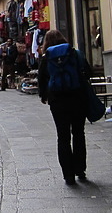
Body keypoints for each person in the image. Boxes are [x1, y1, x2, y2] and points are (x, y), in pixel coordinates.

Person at [38, 30, 91, 185]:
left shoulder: (46, 57)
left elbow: (41, 79)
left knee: (63, 137)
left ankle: (68, 175)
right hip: (77, 97)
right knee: (79, 133)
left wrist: (44, 96)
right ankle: (80, 169)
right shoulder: (74, 53)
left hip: (57, 101)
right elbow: (88, 72)